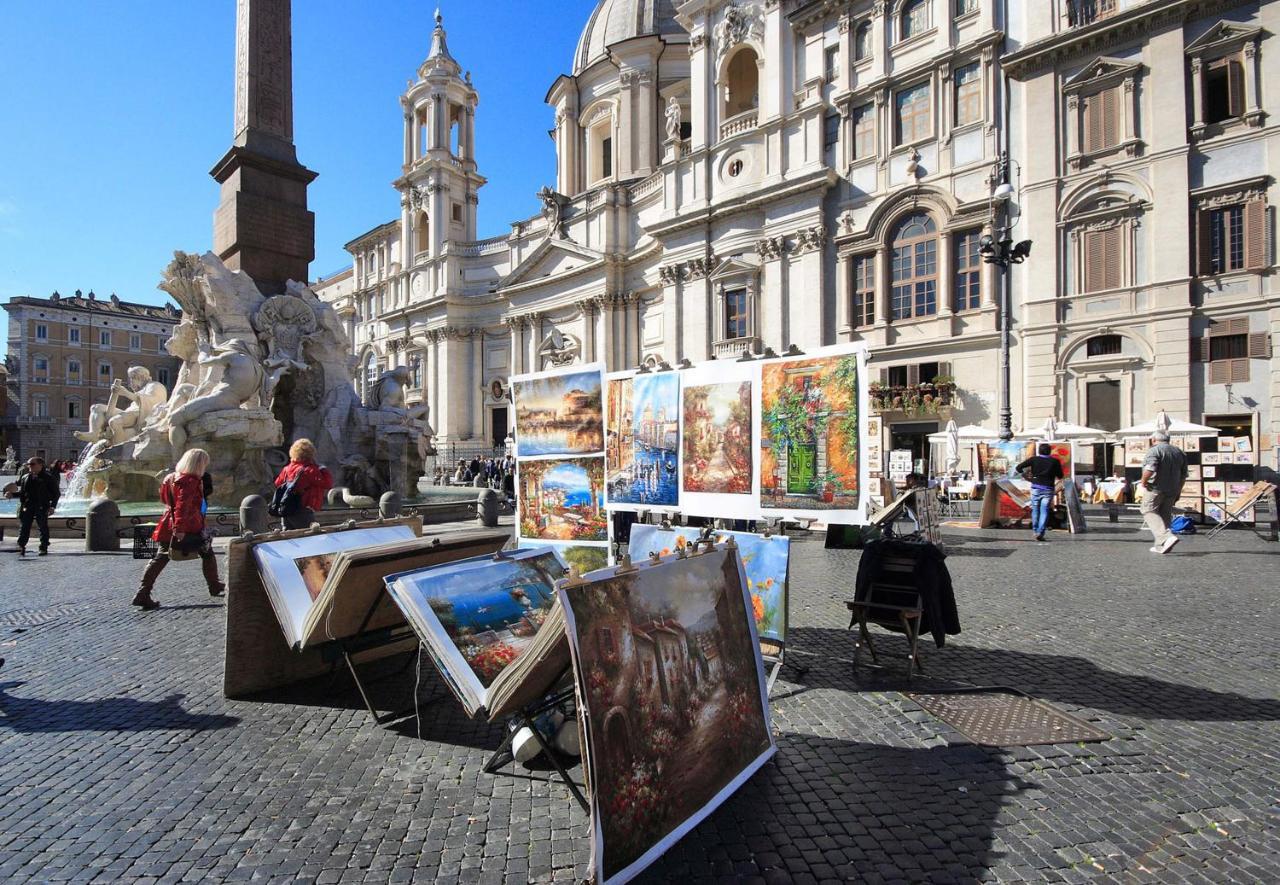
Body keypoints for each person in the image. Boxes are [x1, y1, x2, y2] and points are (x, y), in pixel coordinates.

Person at [133, 448, 225, 610]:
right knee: (164, 558)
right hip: (186, 525)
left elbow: (164, 499)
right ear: (198, 464)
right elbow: (183, 506)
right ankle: (143, 594)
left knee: (165, 558)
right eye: (204, 463)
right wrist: (179, 528)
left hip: (169, 522)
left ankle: (215, 585)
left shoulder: (170, 478)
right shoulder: (190, 481)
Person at [1141, 431, 1188, 554]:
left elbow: (1150, 468)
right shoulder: (1179, 452)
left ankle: (1166, 537)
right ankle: (1161, 545)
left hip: (1156, 487)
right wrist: (1179, 490)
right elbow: (1184, 476)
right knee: (1164, 513)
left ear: (1153, 439)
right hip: (1173, 488)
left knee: (1148, 509)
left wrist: (1143, 481)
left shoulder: (1154, 450)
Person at [273, 438, 334, 530]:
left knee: (289, 538)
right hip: (302, 510)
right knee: (310, 537)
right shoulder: (310, 470)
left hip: (286, 508)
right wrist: (322, 468)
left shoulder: (287, 469)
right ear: (310, 454)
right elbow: (327, 483)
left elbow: (278, 483)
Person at [1017, 444, 1066, 542]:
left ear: (1039, 451)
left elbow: (1019, 467)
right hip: (1048, 488)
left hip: (1036, 487)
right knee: (1044, 510)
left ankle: (1035, 531)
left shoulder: (1034, 460)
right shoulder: (1054, 461)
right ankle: (1041, 531)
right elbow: (1060, 475)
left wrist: (1026, 474)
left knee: (1035, 509)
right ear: (1049, 451)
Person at [12, 457, 59, 556]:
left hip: (41, 505)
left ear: (40, 465)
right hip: (27, 505)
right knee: (24, 527)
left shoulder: (48, 477)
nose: (30, 466)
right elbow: (23, 493)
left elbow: (56, 494)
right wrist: (12, 495)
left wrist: (52, 506)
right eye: (28, 464)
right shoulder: (25, 477)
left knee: (42, 527)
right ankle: (21, 546)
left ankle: (43, 547)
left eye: (32, 464)